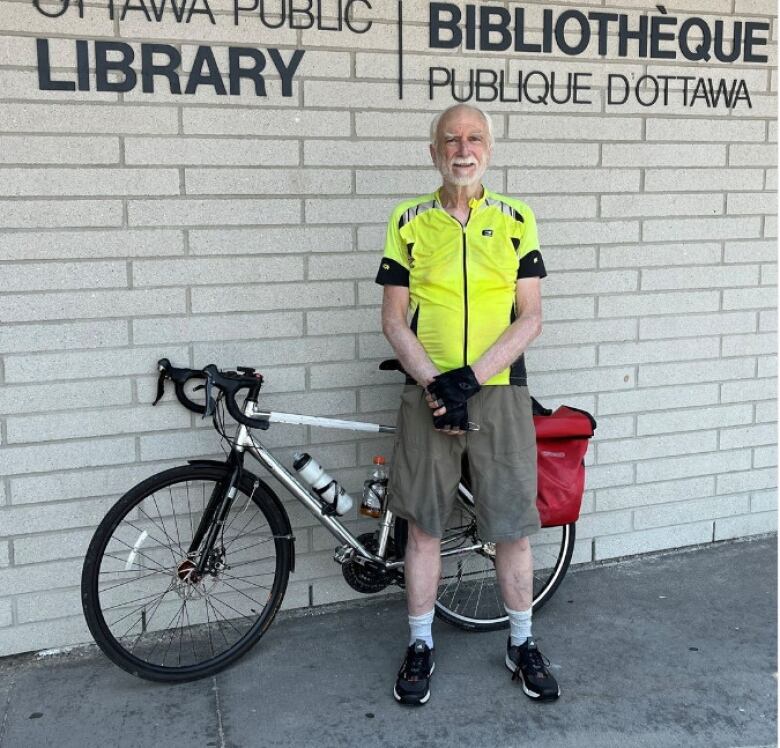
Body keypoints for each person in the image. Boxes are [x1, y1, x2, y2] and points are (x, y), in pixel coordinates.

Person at [375, 103, 558, 706]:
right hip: (426, 393)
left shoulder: (516, 218)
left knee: (511, 528)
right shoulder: (407, 219)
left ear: (490, 150)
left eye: (474, 137)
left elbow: (530, 317)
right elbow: (394, 320)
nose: (462, 147)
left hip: (500, 393)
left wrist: (469, 381)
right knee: (424, 526)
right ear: (433, 153)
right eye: (450, 139)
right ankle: (421, 643)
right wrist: (436, 384)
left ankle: (522, 641)